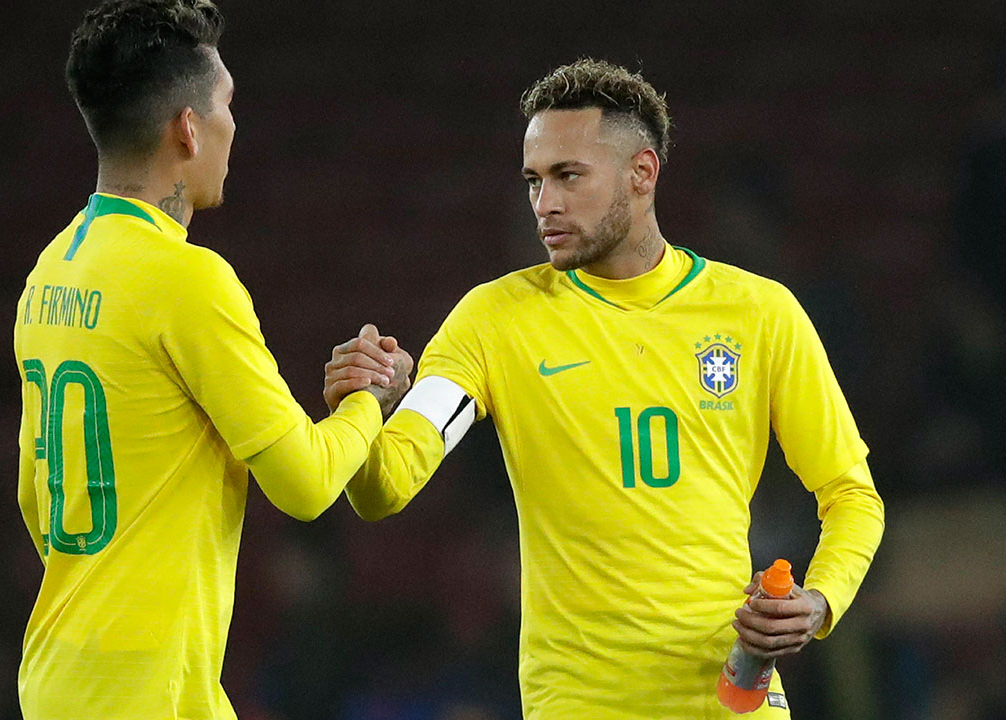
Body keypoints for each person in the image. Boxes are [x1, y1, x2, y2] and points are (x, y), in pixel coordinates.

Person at [324, 59, 885, 719]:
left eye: (568, 176)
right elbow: (384, 488)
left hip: (731, 700)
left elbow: (851, 496)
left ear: (641, 174)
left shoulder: (760, 314)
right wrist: (363, 406)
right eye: (534, 181)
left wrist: (817, 603)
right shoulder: (492, 321)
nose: (544, 204)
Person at [13, 2, 409, 718]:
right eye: (227, 104)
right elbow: (306, 483)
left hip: (59, 675)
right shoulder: (185, 279)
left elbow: (35, 500)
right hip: (144, 692)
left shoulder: (51, 272)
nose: (235, 124)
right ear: (188, 129)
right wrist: (368, 399)